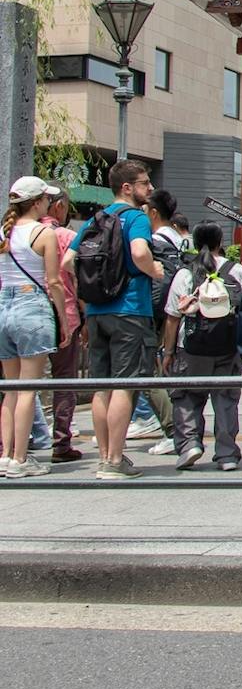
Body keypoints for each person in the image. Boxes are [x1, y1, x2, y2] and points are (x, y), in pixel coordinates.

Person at [66, 160, 162, 481]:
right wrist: (155, 271)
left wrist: (91, 290)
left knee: (102, 385)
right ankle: (116, 459)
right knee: (124, 384)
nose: (150, 189)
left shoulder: (95, 219)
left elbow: (68, 261)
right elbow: (139, 253)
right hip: (131, 310)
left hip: (97, 311)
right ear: (127, 188)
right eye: (145, 183)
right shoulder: (136, 218)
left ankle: (105, 457)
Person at [162, 222, 242, 470]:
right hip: (228, 346)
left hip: (190, 348)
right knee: (226, 400)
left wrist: (168, 352)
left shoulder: (186, 273)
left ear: (195, 243)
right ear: (221, 242)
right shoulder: (237, 271)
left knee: (187, 396)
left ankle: (190, 445)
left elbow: (172, 316)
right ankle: (227, 454)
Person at [0, 176, 69, 478]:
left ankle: (5, 454)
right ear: (39, 202)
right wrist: (62, 319)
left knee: (10, 389)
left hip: (4, 307)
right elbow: (53, 281)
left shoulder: (4, 231)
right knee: (28, 388)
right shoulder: (44, 233)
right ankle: (20, 458)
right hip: (32, 307)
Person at [126, 185, 185, 451]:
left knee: (144, 370)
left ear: (152, 212)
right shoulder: (181, 239)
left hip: (152, 312)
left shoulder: (156, 242)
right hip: (174, 311)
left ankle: (173, 429)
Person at [38, 185, 84, 463]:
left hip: (17, 313)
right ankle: (61, 442)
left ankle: (9, 444)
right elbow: (77, 279)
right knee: (63, 380)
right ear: (57, 206)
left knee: (17, 383)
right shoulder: (66, 236)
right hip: (62, 313)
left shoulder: (13, 235)